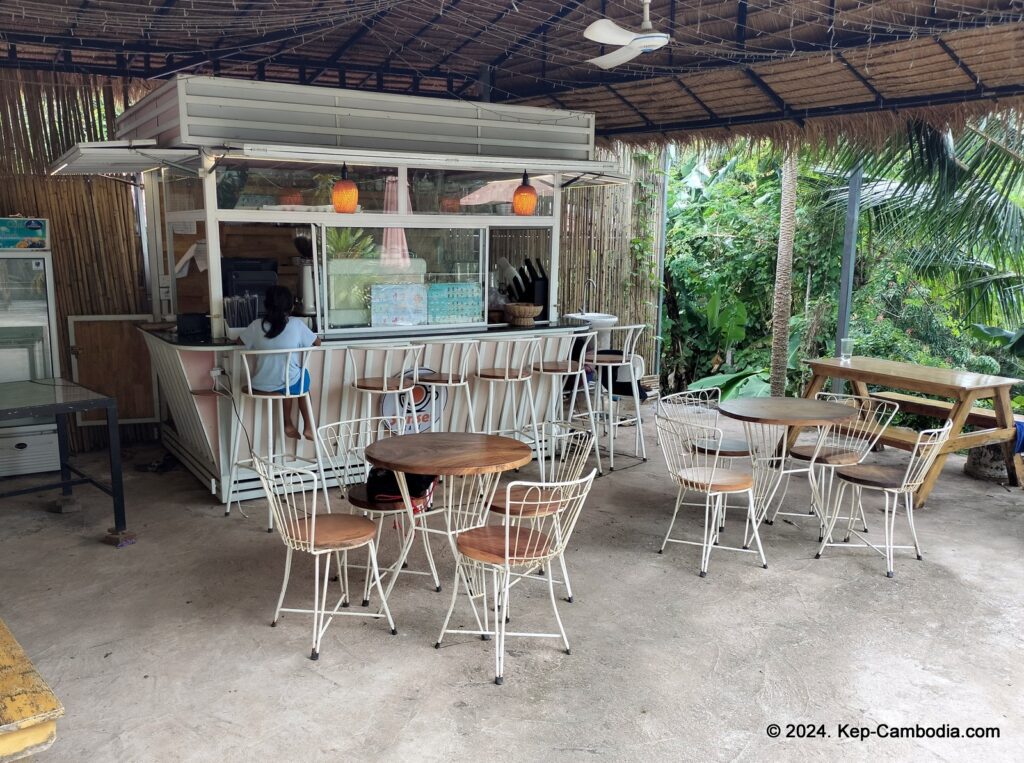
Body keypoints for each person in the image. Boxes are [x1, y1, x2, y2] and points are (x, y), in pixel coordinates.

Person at [238, 285, 320, 440]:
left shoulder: (256, 325)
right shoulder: (296, 324)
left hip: (258, 384)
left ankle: (288, 422)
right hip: (287, 384)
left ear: (266, 305)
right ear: (290, 306)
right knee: (299, 377)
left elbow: (238, 341)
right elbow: (318, 342)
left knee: (290, 380)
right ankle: (308, 426)